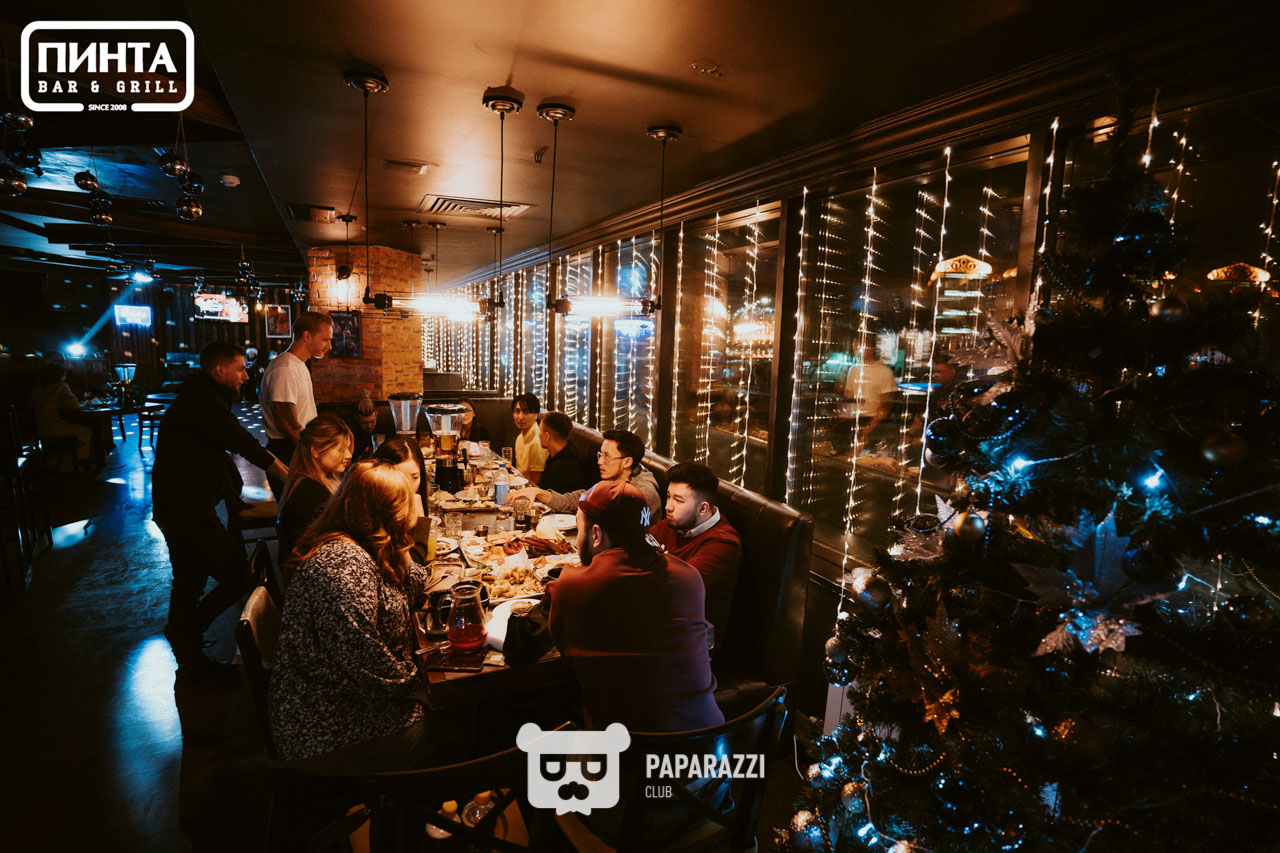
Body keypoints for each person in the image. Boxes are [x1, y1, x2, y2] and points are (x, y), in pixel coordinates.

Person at [269, 460, 465, 775]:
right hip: (328, 727)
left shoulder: (362, 540)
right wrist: (420, 688)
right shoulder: (344, 564)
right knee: (459, 720)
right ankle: (425, 798)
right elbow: (363, 663)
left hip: (350, 701)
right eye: (405, 508)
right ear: (384, 514)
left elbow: (414, 583)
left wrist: (401, 543)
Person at [152, 341, 288, 681]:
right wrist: (291, 475)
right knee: (234, 577)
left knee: (188, 581)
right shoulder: (202, 403)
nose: (246, 376)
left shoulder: (201, 397)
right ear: (220, 370)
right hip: (186, 511)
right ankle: (188, 637)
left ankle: (187, 644)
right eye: (240, 369)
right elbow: (244, 443)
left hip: (182, 507)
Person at [546, 478, 723, 733]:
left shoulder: (572, 586)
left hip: (627, 751)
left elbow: (560, 651)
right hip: (710, 740)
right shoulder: (689, 576)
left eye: (579, 529)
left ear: (596, 535)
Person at [649, 462, 742, 649]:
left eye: (679, 500)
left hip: (698, 638)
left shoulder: (723, 543)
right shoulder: (674, 523)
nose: (668, 506)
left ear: (703, 509)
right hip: (660, 616)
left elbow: (679, 587)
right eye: (668, 496)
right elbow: (637, 550)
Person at [506, 428, 662, 520]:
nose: (600, 462)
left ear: (627, 462)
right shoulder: (615, 477)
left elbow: (616, 528)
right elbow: (581, 498)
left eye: (607, 456)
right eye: (600, 455)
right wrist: (539, 493)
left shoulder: (642, 492)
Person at [259, 310, 333, 494]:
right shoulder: (286, 368)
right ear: (307, 336)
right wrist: (313, 454)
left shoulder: (297, 364)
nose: (329, 346)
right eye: (325, 339)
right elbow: (287, 423)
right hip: (289, 450)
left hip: (297, 448)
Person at [276, 414, 354, 575]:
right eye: (341, 449)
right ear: (316, 451)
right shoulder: (309, 493)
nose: (348, 455)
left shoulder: (324, 480)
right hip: (310, 577)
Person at [373, 437, 435, 565]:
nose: (408, 485)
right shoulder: (378, 512)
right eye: (400, 477)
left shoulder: (414, 499)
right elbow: (414, 566)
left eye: (414, 477)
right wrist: (421, 520)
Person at [832, 340, 897, 454]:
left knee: (868, 456)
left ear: (871, 348)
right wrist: (843, 416)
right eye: (854, 347)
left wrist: (871, 426)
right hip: (853, 421)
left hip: (872, 421)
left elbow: (886, 404)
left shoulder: (885, 372)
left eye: (860, 347)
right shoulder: (853, 369)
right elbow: (848, 397)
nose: (856, 350)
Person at [27, 361, 92, 470]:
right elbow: (74, 405)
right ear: (62, 374)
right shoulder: (61, 385)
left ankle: (57, 463)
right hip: (52, 426)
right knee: (85, 432)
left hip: (36, 427)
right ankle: (77, 464)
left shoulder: (38, 385)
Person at [535, 411, 583, 494]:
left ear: (547, 436)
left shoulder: (563, 467)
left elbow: (548, 497)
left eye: (540, 430)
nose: (538, 435)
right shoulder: (559, 453)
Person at [511, 393, 547, 484]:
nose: (520, 417)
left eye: (526, 412)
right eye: (517, 411)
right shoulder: (520, 438)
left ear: (536, 414)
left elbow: (535, 482)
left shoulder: (537, 442)